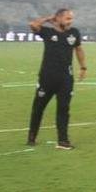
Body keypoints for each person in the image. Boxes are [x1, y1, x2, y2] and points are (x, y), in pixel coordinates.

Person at [26, 8, 86, 149]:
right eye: (67, 18)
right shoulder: (47, 32)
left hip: (66, 78)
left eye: (71, 19)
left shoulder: (74, 33)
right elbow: (33, 25)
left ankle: (63, 141)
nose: (70, 21)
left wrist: (83, 67)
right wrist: (48, 18)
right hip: (47, 78)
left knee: (64, 109)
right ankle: (32, 136)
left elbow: (78, 49)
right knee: (38, 108)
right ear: (58, 19)